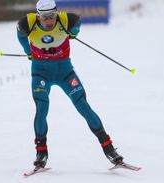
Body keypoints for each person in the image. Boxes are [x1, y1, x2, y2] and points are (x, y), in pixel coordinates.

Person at [16, 0, 124, 168]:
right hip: (40, 73)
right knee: (42, 107)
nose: (49, 21)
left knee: (83, 106)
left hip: (64, 72)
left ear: (56, 13)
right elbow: (21, 36)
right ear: (38, 17)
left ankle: (109, 149)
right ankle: (41, 152)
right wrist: (28, 52)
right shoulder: (27, 24)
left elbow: (77, 24)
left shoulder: (67, 20)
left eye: (52, 16)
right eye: (44, 18)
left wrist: (74, 33)